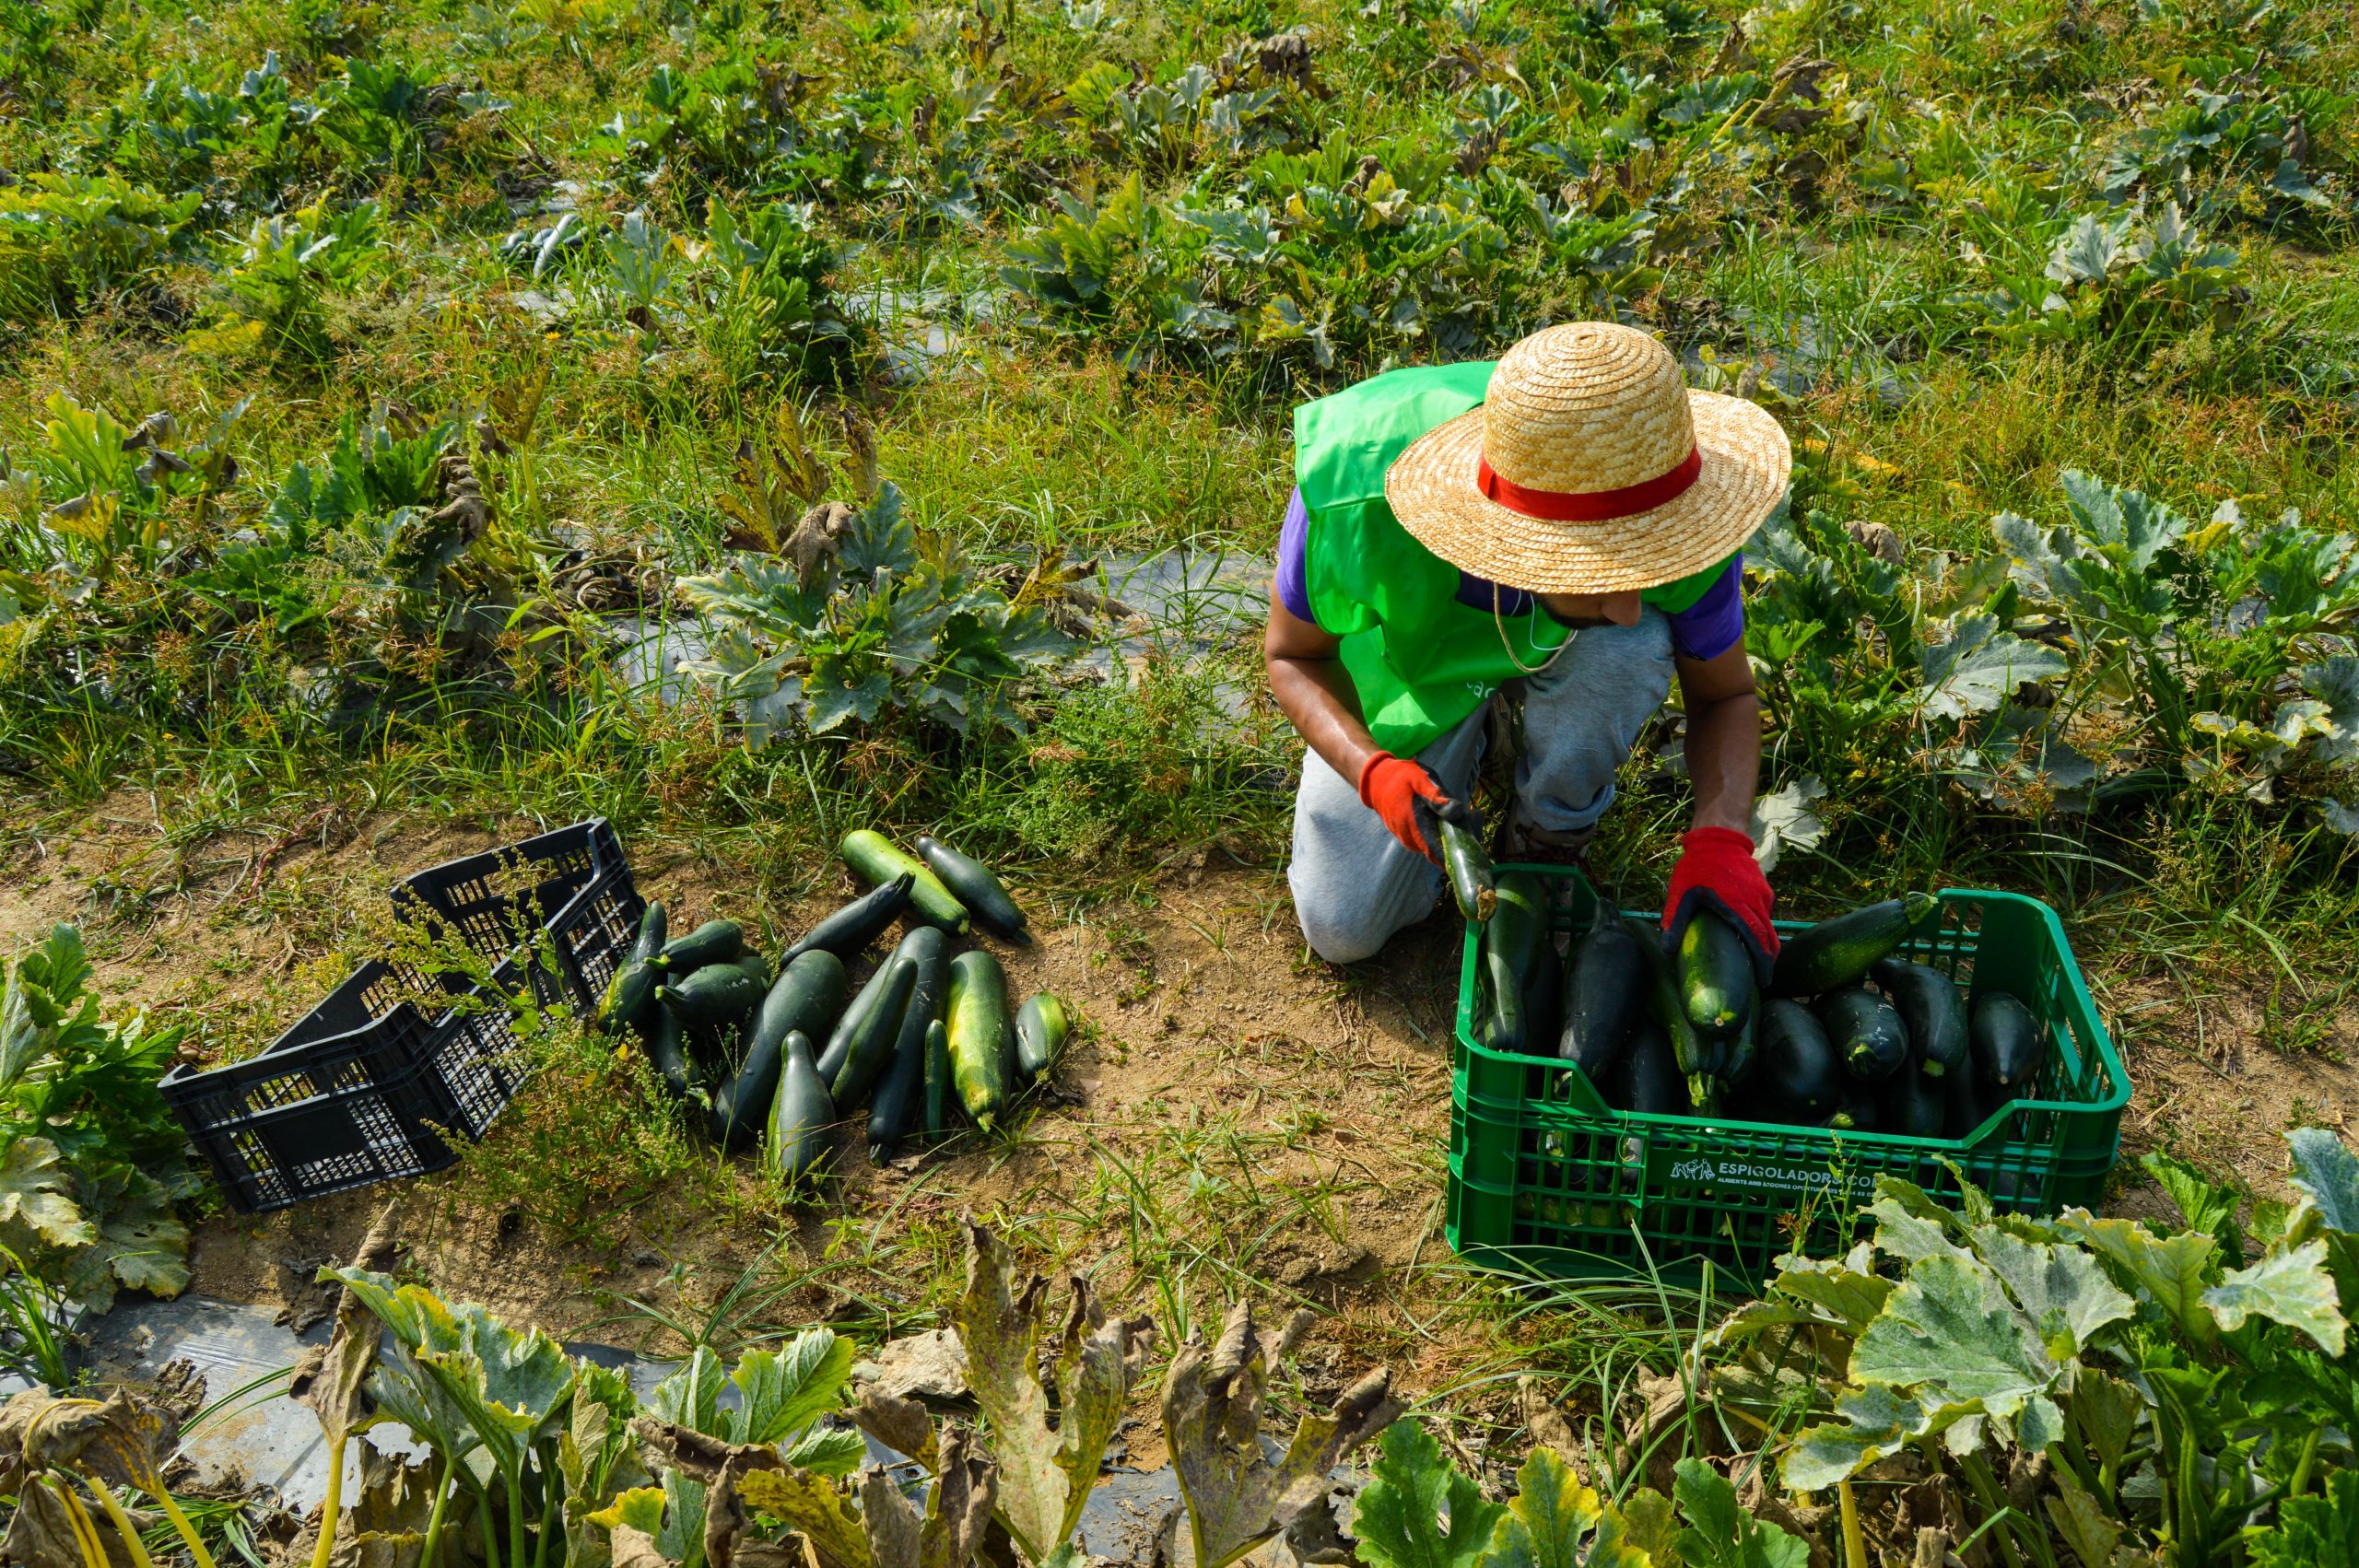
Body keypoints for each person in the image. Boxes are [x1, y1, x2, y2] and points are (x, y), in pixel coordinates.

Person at [1262, 322, 1790, 968]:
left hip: (1569, 651)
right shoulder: (1356, 490)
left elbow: (1727, 693)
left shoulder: (1674, 494)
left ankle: (1548, 835)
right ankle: (1474, 743)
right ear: (1517, 544)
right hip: (1413, 673)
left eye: (1646, 570)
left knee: (1630, 647)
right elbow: (1292, 655)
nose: (1630, 607)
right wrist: (1372, 771)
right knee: (1342, 925)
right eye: (1604, 577)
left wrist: (1722, 839)